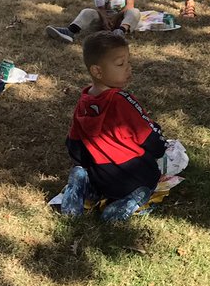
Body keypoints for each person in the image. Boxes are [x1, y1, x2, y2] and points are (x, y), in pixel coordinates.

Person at [59, 31, 166, 220]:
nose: (128, 69)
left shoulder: (84, 101)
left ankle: (83, 184)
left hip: (100, 176)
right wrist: (160, 144)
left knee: (86, 172)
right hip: (131, 175)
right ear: (97, 71)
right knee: (149, 182)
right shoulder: (121, 100)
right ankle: (125, 205)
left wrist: (87, 165)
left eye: (128, 62)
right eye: (120, 64)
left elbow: (74, 144)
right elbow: (149, 136)